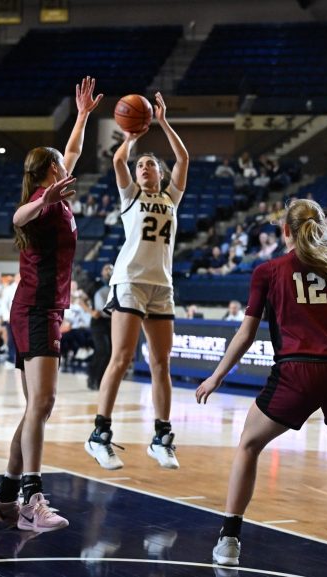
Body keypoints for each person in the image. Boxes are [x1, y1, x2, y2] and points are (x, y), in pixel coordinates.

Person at [195, 199, 327, 567]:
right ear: (320, 229)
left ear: (285, 231)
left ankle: (229, 540)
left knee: (248, 444)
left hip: (297, 371)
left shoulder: (268, 270)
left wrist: (216, 376)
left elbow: (246, 335)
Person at [0, 76, 101, 533]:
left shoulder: (57, 189)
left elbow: (70, 151)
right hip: (35, 309)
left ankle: (5, 499)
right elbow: (16, 217)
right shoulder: (43, 200)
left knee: (38, 407)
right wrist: (40, 203)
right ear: (51, 173)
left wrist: (84, 115)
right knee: (43, 402)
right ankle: (33, 498)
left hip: (41, 308)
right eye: (60, 164)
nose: (66, 162)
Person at [85, 91, 189, 471]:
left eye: (150, 165)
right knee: (122, 357)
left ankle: (162, 437)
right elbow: (118, 160)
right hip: (129, 280)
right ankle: (99, 434)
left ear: (160, 175)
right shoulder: (129, 196)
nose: (144, 167)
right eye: (141, 164)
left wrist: (162, 122)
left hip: (161, 285)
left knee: (161, 363)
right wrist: (131, 138)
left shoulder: (171, 199)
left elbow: (183, 159)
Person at [85, 264, 113, 391]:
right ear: (102, 271)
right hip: (98, 322)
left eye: (111, 269)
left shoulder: (114, 286)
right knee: (102, 350)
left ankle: (101, 380)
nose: (109, 272)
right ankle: (92, 378)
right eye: (106, 269)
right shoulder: (95, 285)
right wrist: (91, 312)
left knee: (108, 352)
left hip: (110, 322)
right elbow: (81, 300)